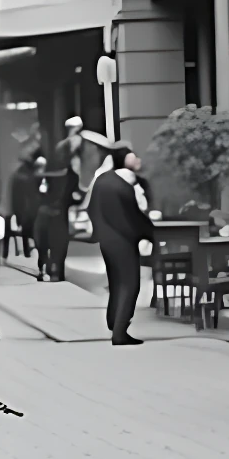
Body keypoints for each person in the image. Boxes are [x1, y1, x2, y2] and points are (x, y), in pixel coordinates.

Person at [87, 145, 152, 345]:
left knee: (116, 281)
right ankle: (120, 331)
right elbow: (132, 216)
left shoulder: (102, 181)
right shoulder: (124, 185)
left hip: (106, 240)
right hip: (123, 241)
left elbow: (91, 209)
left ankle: (113, 320)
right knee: (130, 284)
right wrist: (148, 232)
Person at [32, 154, 74, 281]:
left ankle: (46, 269)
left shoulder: (42, 180)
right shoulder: (67, 180)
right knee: (58, 247)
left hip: (46, 215)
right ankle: (56, 271)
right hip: (57, 217)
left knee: (44, 247)